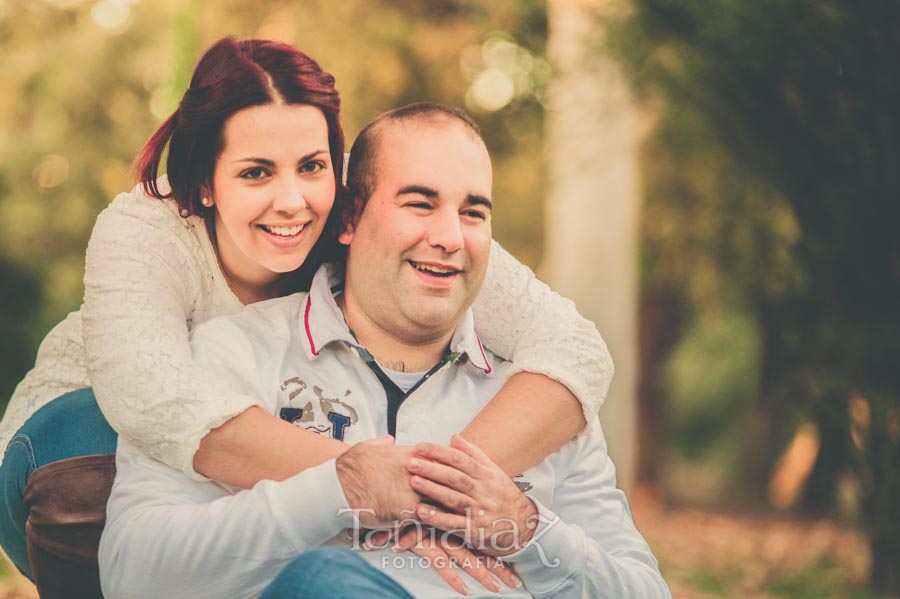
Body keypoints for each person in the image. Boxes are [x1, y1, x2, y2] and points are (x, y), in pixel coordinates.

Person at [0, 37, 612, 596]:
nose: (292, 201)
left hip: (256, 457)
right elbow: (154, 401)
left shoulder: (377, 210)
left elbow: (573, 349)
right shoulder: (146, 228)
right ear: (205, 182)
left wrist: (439, 490)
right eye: (256, 172)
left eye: (312, 167)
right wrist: (366, 488)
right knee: (107, 458)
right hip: (67, 448)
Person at [99, 103, 670, 599]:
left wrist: (526, 528)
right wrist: (336, 491)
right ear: (350, 217)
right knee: (324, 580)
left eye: (473, 212)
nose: (450, 236)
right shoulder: (233, 357)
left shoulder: (540, 396)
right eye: (419, 204)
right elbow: (133, 574)